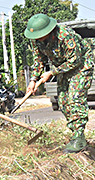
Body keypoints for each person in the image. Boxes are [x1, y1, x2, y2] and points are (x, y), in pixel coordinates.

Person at [25, 13, 94, 153]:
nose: (37, 39)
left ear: (48, 31)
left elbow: (75, 60)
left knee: (75, 100)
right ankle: (76, 135)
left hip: (81, 66)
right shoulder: (36, 40)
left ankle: (79, 137)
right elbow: (38, 61)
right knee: (63, 102)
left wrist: (51, 73)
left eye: (40, 35)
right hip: (61, 68)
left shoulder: (65, 35)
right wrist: (33, 80)